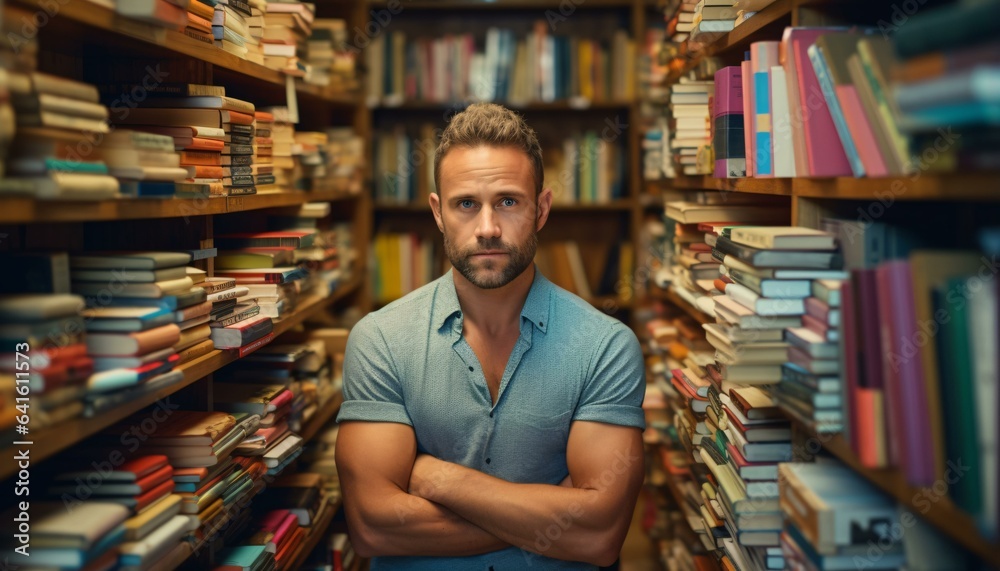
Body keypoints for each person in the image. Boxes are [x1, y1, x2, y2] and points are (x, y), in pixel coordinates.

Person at [335, 103, 645, 570]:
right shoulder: (379, 340)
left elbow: (598, 536)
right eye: (466, 204)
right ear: (438, 213)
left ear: (541, 209)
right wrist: (550, 520)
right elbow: (373, 527)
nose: (488, 229)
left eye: (508, 201)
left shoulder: (606, 347)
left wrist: (437, 480)